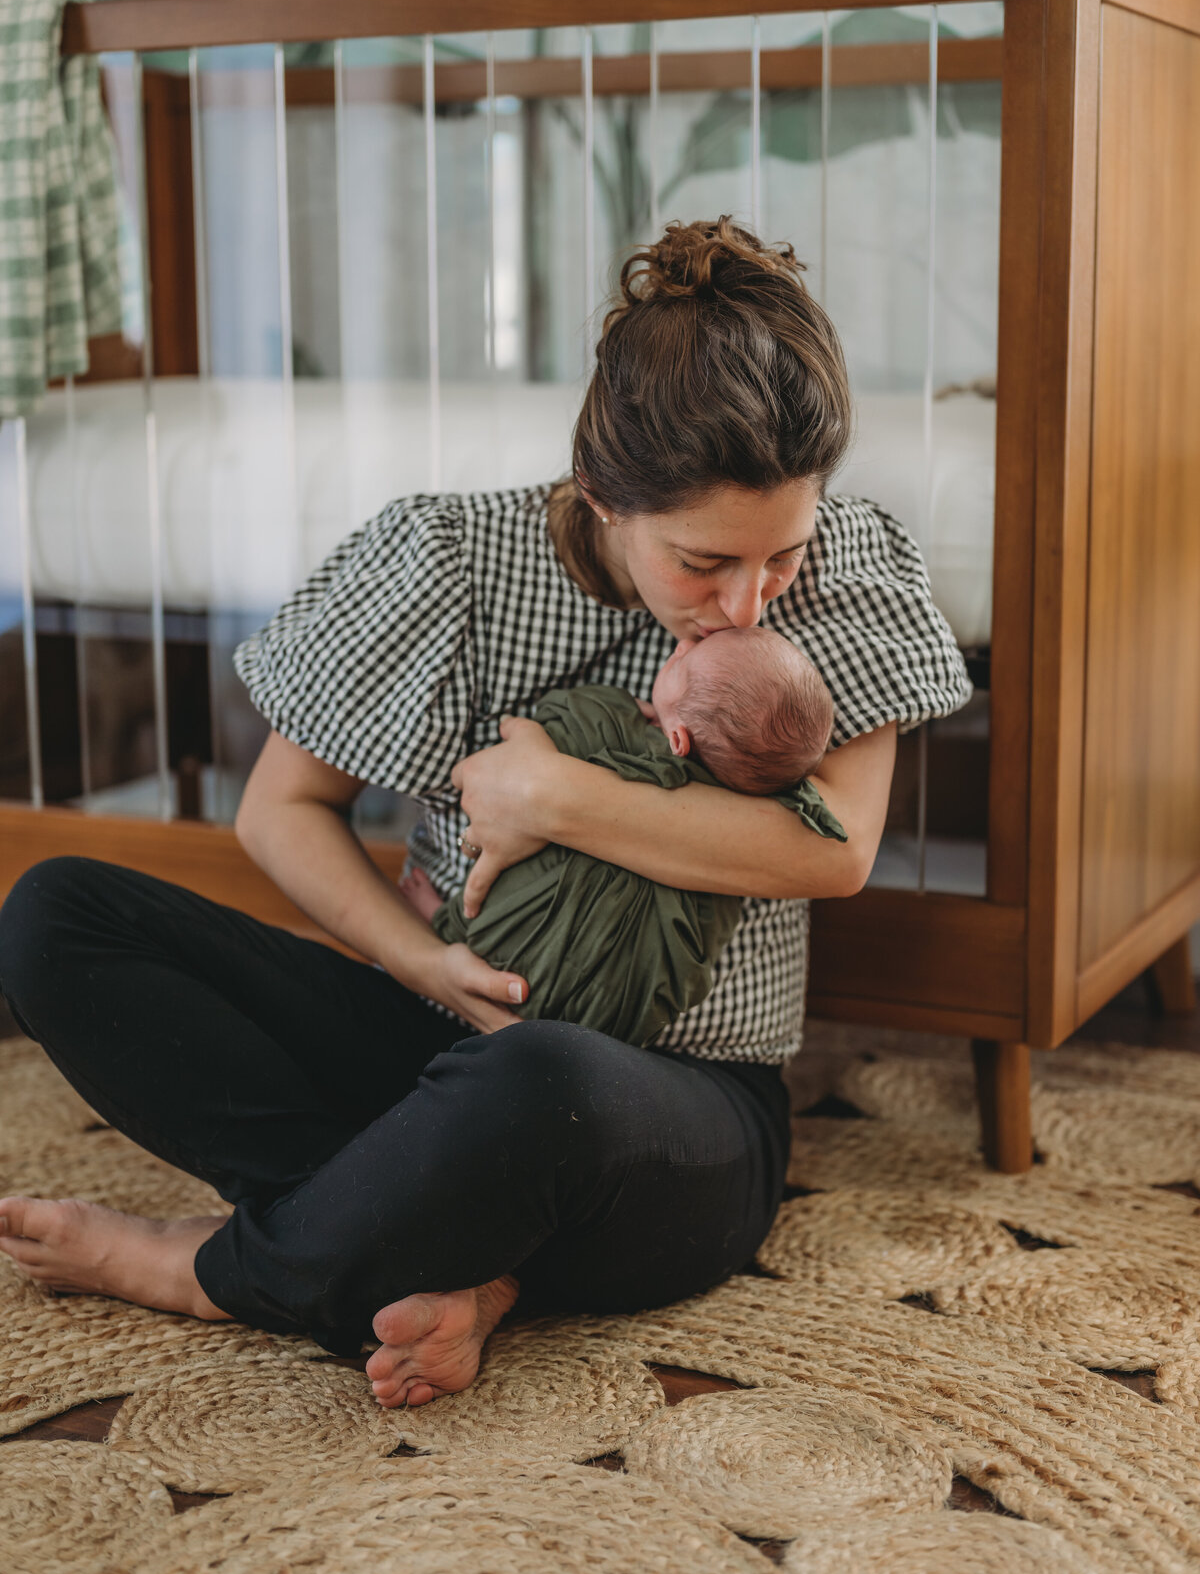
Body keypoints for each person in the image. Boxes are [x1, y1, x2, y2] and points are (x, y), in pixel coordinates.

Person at [0, 217, 971, 1412]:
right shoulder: (454, 562)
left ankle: (216, 1268)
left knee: (542, 1082)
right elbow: (282, 810)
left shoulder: (853, 567)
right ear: (607, 494)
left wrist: (555, 792)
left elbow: (836, 853)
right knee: (56, 917)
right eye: (703, 561)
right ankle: (451, 1250)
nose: (746, 603)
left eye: (780, 557)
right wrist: (428, 964)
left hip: (669, 1114)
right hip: (441, 1052)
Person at [422, 628, 848, 1048]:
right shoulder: (745, 833)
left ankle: (445, 922)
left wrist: (544, 723)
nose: (681, 646)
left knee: (513, 891)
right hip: (612, 1021)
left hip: (511, 966)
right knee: (694, 923)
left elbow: (550, 719)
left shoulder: (604, 718)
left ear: (677, 738)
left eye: (684, 664)